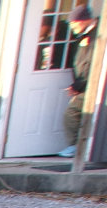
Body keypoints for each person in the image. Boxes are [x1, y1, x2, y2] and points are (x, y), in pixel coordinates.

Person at [61, 5, 98, 158]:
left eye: (73, 22)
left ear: (83, 20)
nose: (71, 26)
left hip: (91, 84)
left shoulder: (97, 35)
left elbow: (91, 63)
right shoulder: (84, 34)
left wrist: (78, 85)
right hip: (84, 83)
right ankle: (78, 146)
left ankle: (76, 147)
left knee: (72, 113)